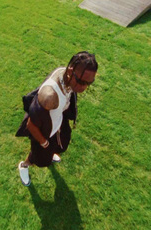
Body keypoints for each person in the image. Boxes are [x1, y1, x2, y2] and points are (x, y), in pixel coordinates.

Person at [15, 51, 98, 186]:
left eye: (89, 83)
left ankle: (50, 152)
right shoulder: (49, 96)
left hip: (58, 125)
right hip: (44, 133)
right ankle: (24, 165)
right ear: (71, 70)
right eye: (82, 82)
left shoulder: (65, 75)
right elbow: (31, 124)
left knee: (60, 145)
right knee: (38, 157)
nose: (84, 87)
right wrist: (44, 143)